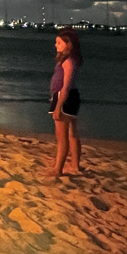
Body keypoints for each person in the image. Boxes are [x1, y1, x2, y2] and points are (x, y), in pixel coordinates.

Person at [46, 28, 83, 177]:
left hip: (65, 97)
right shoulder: (67, 60)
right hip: (68, 96)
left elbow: (66, 86)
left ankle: (58, 169)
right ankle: (75, 164)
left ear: (69, 44)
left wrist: (59, 106)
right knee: (71, 133)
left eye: (59, 43)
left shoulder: (69, 62)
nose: (56, 45)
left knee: (62, 137)